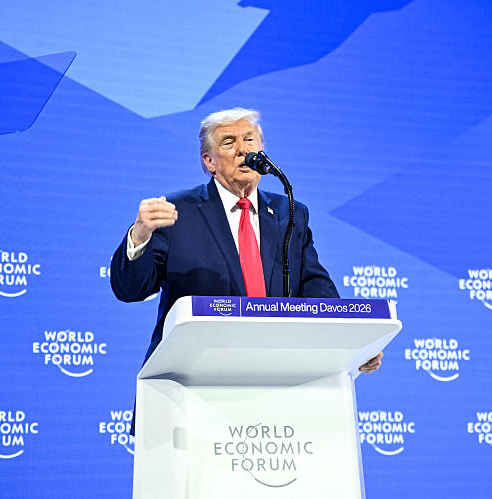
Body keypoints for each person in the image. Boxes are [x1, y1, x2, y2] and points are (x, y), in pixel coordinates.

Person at [109, 107, 383, 374]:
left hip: (275, 373)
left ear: (262, 151)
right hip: (195, 376)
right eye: (229, 142)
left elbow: (316, 289)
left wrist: (351, 346)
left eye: (249, 140)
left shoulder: (290, 212)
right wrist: (140, 235)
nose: (243, 150)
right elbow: (131, 290)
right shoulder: (177, 211)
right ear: (209, 161)